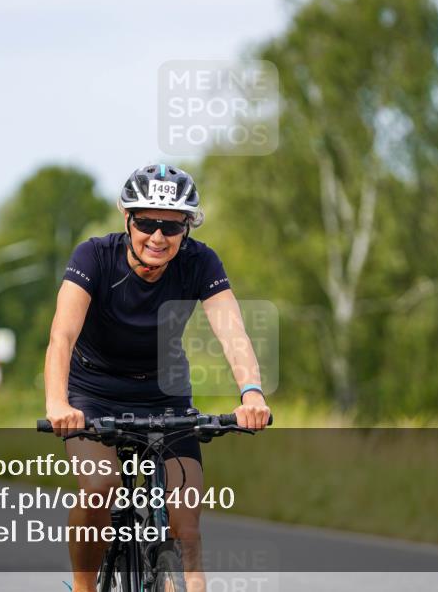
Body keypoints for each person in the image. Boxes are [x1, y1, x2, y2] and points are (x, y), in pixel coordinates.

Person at [44, 164, 271, 592]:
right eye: (146, 222)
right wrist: (58, 403)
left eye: (171, 226)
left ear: (187, 228)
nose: (158, 236)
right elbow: (62, 335)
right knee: (100, 487)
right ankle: (83, 587)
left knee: (185, 524)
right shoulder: (93, 256)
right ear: (127, 219)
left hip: (163, 395)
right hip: (93, 392)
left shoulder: (200, 262)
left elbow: (232, 331)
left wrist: (252, 392)